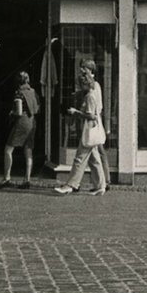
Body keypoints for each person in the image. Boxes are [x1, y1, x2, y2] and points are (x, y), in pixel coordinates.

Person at [55, 59, 106, 196]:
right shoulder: (97, 86)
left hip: (88, 128)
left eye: (84, 68)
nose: (82, 70)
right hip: (94, 126)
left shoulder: (89, 95)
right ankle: (100, 185)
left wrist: (76, 112)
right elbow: (99, 109)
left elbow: (91, 115)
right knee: (94, 158)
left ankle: (71, 184)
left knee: (80, 157)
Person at [0, 71, 41, 189]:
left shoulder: (19, 93)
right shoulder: (33, 92)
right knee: (28, 151)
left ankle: (6, 178)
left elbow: (18, 111)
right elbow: (38, 108)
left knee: (8, 149)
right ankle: (27, 179)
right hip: (32, 121)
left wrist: (11, 112)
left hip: (22, 122)